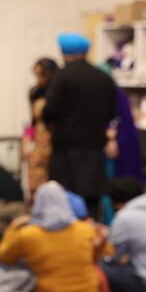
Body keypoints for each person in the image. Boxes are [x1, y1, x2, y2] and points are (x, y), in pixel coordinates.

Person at [0, 181, 106, 292]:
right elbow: (101, 256)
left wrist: (12, 228)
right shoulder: (86, 229)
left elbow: (4, 258)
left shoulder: (28, 234)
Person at [42, 34, 117, 218]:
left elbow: (49, 112)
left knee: (64, 202)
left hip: (65, 153)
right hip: (94, 152)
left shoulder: (63, 76)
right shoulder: (104, 78)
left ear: (64, 52)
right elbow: (112, 114)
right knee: (91, 205)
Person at [24, 58, 59, 198]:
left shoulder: (57, 94)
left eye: (42, 75)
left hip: (53, 141)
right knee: (35, 182)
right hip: (38, 141)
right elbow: (32, 121)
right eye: (37, 75)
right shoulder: (34, 92)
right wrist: (27, 140)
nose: (39, 79)